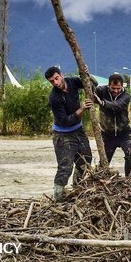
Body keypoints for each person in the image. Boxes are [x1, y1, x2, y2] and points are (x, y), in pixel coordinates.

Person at [45, 66, 96, 201]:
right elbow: (65, 121)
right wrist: (82, 108)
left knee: (85, 161)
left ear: (61, 75)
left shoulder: (72, 82)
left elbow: (91, 85)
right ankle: (58, 198)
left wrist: (87, 74)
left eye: (56, 78)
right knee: (65, 167)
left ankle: (78, 190)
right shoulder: (54, 98)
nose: (55, 83)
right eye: (52, 81)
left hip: (78, 130)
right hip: (63, 135)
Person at [94, 74, 131, 176]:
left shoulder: (126, 96)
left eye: (118, 88)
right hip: (107, 135)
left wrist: (103, 103)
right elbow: (90, 90)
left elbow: (117, 106)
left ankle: (129, 179)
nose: (116, 91)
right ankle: (101, 180)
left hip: (124, 132)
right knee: (104, 161)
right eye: (113, 88)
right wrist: (89, 78)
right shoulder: (101, 91)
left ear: (122, 86)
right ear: (109, 85)